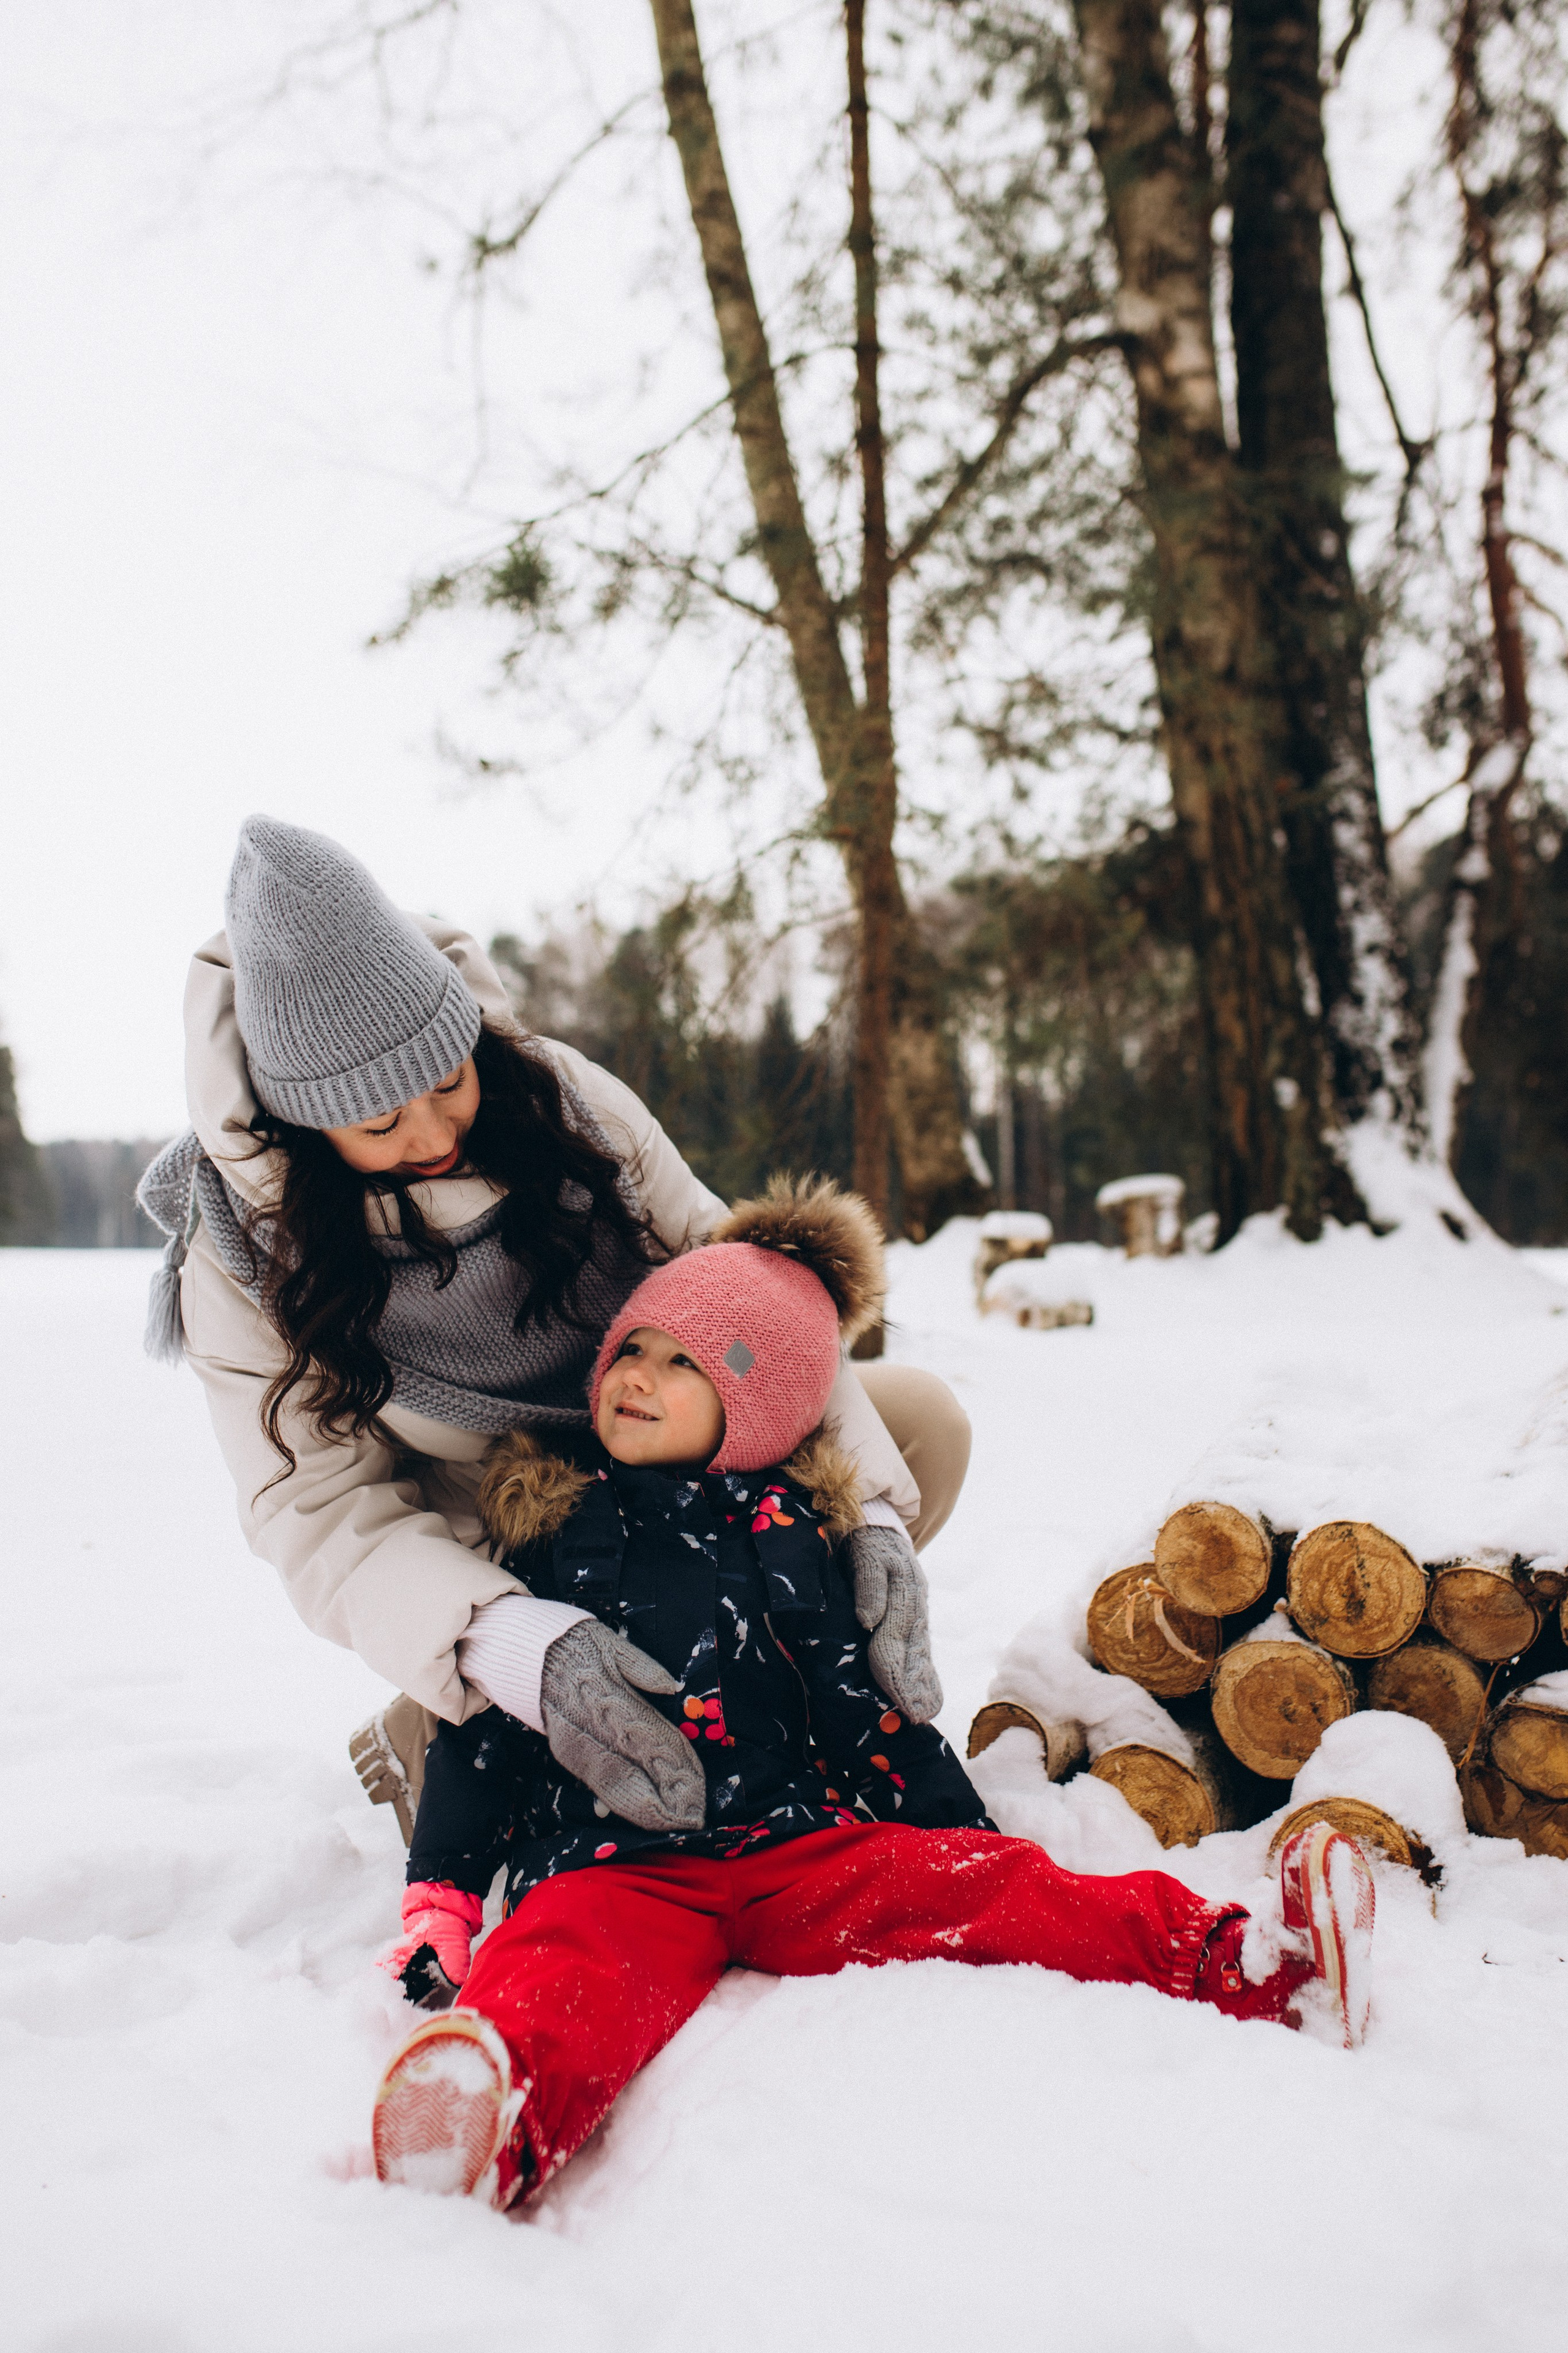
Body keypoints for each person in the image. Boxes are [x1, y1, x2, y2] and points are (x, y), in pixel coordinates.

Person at [369, 1182, 1378, 2211]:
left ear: (754, 1408)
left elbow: (865, 1708)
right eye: (633, 1348)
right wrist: (443, 1895)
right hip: (615, 1863)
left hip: (794, 1848)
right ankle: (485, 2114)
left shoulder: (790, 1534)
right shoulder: (545, 1530)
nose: (640, 1377)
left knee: (1003, 1894)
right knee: (564, 1964)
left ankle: (1249, 1955)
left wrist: (968, 1846)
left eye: (688, 1364)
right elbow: (484, 1728)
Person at [137, 816, 965, 1838]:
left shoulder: (564, 1100)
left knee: (919, 1423)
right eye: (380, 1124)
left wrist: (870, 1516)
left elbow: (740, 1283)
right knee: (552, 1690)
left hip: (672, 1445)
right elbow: (312, 1505)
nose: (435, 1135)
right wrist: (514, 1640)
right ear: (304, 1120)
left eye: (448, 1082)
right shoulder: (242, 1254)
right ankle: (444, 1729)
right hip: (503, 1523)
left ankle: (762, 1700)